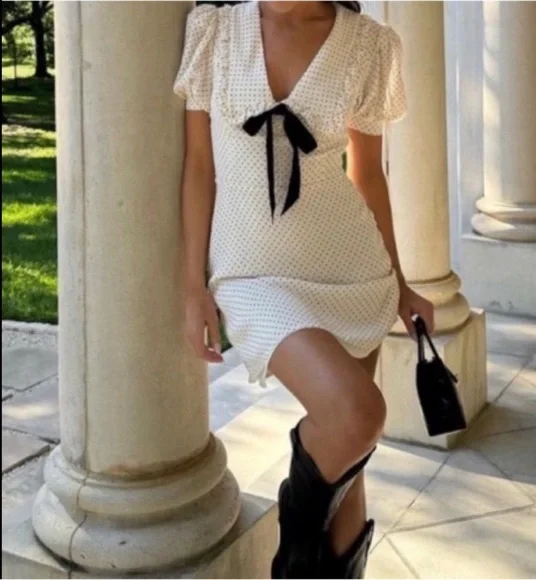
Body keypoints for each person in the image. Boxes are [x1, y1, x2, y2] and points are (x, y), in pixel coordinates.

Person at [173, 1, 434, 577]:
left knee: (350, 466)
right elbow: (198, 166)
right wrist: (193, 286)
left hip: (351, 270)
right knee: (356, 416)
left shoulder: (368, 44)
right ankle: (294, 534)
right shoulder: (216, 31)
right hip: (249, 274)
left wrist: (400, 282)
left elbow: (368, 174)